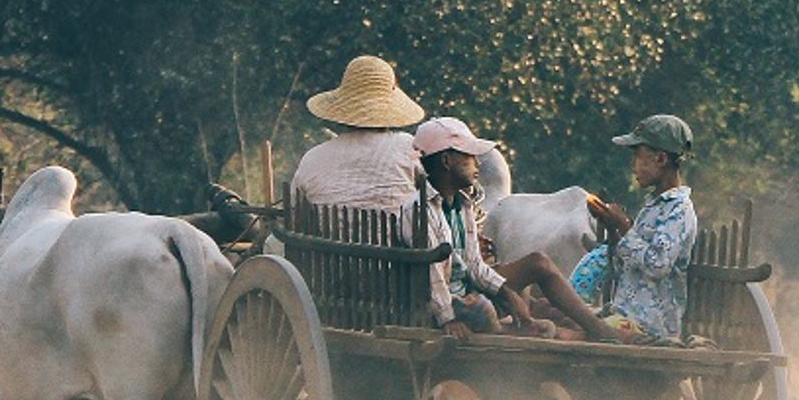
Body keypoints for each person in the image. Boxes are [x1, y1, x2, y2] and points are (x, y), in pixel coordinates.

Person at [414, 117, 623, 343]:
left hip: (465, 290)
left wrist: (506, 293)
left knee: (537, 264)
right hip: (446, 301)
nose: (478, 164)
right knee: (485, 309)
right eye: (469, 156)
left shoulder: (462, 206)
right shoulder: (421, 211)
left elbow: (474, 266)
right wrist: (448, 319)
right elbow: (432, 276)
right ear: (447, 161)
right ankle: (535, 332)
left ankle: (599, 330)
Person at [570, 114, 700, 346]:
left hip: (647, 326)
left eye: (638, 157)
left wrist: (624, 226)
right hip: (624, 315)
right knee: (562, 316)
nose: (633, 166)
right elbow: (627, 260)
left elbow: (657, 264)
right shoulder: (653, 206)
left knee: (568, 336)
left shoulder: (678, 211)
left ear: (660, 158)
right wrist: (613, 230)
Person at [289, 55, 424, 212]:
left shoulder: (313, 157)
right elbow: (432, 191)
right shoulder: (408, 147)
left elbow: (294, 210)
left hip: (327, 237)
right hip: (397, 237)